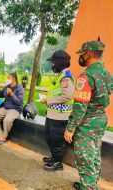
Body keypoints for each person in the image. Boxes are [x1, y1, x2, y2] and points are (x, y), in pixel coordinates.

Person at [64, 41, 113, 190]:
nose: (81, 57)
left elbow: (80, 107)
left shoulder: (85, 76)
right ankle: (92, 182)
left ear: (89, 54)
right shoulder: (107, 74)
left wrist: (70, 128)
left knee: (84, 157)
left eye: (82, 54)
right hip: (100, 120)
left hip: (87, 123)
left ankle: (88, 186)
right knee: (95, 154)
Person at [40, 50, 75, 171]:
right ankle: (54, 158)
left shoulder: (66, 77)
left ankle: (58, 163)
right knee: (50, 137)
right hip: (52, 114)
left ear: (60, 62)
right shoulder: (60, 75)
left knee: (57, 140)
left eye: (54, 62)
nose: (52, 64)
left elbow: (68, 96)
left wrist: (48, 100)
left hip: (60, 116)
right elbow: (57, 92)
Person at [0, 73, 25, 144]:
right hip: (5, 108)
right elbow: (1, 95)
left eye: (8, 78)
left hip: (15, 109)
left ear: (13, 79)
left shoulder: (19, 88)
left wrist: (12, 94)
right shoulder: (6, 87)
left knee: (7, 120)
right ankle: (0, 134)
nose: (7, 79)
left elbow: (19, 102)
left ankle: (4, 137)